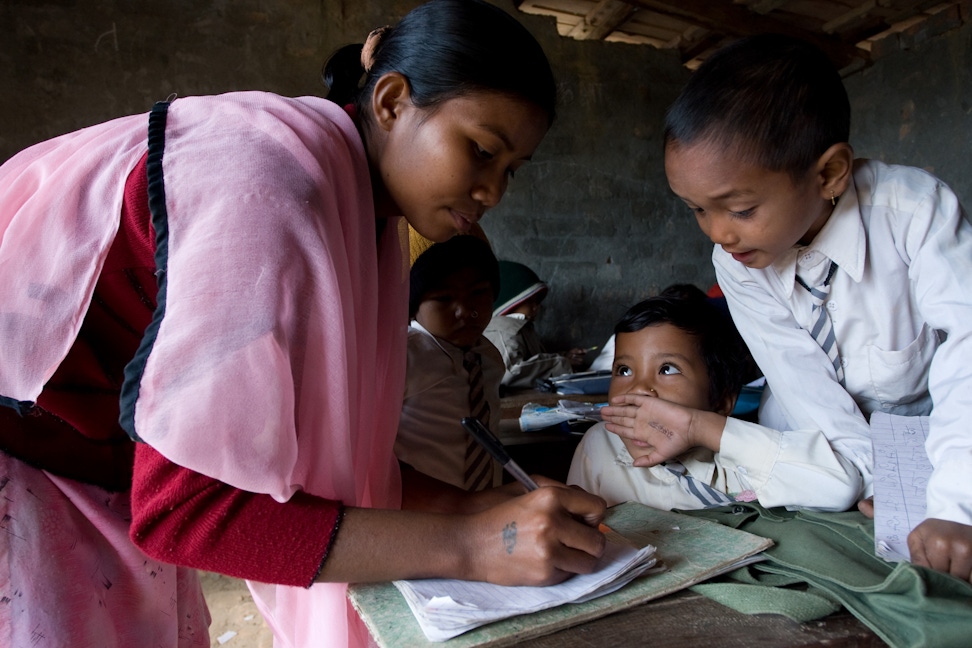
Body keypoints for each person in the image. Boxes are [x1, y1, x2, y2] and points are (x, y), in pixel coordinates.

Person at [0, 1, 609, 646]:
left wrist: (473, 505)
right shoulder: (264, 190)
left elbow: (348, 464)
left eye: (510, 170)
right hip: (29, 453)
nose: (493, 192)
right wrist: (472, 543)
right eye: (481, 151)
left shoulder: (364, 216)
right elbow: (190, 513)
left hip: (94, 459)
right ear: (393, 101)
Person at [604, 33, 972, 583]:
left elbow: (966, 357)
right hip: (832, 449)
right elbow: (809, 393)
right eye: (697, 210)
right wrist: (883, 487)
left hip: (940, 444)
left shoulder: (913, 215)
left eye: (741, 208)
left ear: (828, 174)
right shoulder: (737, 263)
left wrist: (952, 502)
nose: (719, 233)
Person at [570, 284, 859, 509]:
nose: (639, 389)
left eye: (667, 369)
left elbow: (839, 486)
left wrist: (701, 428)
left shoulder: (746, 458)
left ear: (721, 401)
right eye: (623, 370)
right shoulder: (601, 447)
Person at [396, 235, 504, 490]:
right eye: (444, 298)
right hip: (422, 510)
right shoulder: (403, 357)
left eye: (478, 292)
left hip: (485, 505)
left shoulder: (489, 357)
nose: (466, 310)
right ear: (413, 308)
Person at [483, 260, 585, 390]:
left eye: (536, 301)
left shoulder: (521, 328)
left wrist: (566, 356)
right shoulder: (503, 331)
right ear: (510, 302)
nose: (536, 307)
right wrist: (562, 362)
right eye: (529, 301)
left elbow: (533, 358)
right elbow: (509, 372)